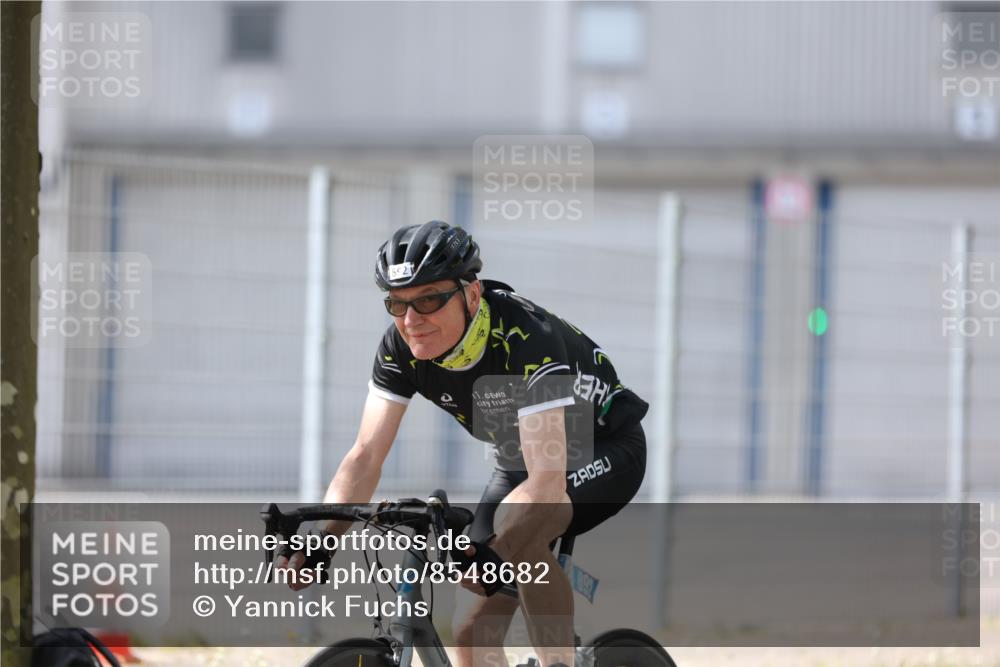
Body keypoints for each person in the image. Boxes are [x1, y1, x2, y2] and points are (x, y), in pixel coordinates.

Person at [277, 220, 648, 667]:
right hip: (519, 459)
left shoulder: (527, 337)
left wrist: (498, 553)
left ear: (472, 295)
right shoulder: (400, 347)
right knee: (472, 632)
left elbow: (547, 481)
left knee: (521, 537)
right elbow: (365, 456)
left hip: (604, 447)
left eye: (429, 300)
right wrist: (323, 540)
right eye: (397, 303)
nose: (411, 320)